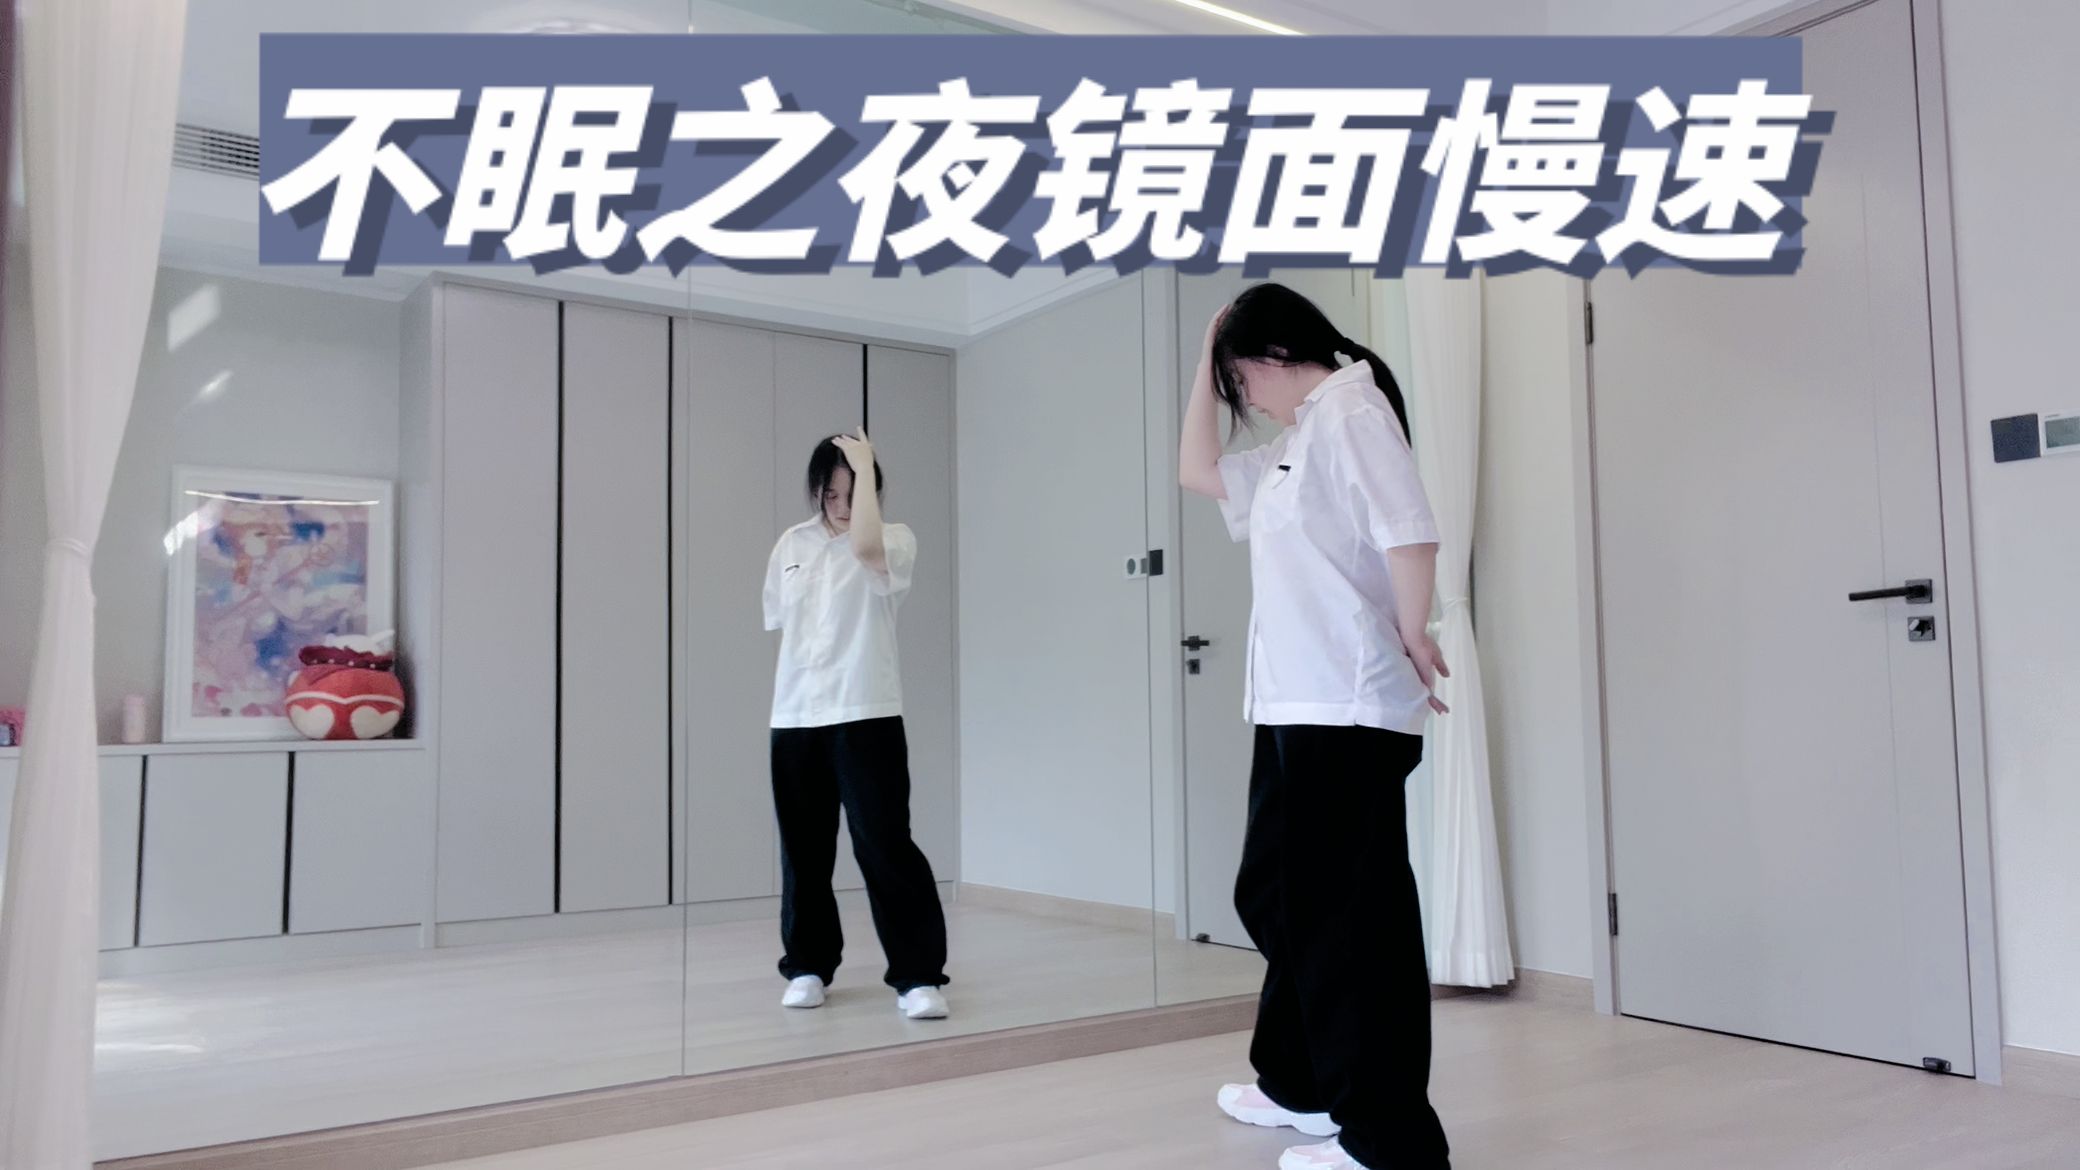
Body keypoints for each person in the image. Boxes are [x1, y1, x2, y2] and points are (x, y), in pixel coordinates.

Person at [1178, 284, 1451, 1170]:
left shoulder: (1352, 411)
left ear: (1278, 355)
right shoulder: (1299, 439)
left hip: (1346, 703)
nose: (1244, 401)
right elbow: (1198, 471)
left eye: (1242, 381)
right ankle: (1302, 1084)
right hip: (1295, 704)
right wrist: (1209, 355)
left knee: (1349, 925)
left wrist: (1414, 632)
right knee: (1275, 896)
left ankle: (1387, 1142)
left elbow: (1409, 532)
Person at [763, 430, 951, 1021]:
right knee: (804, 850)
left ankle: (918, 977)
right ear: (816, 492)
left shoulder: (893, 539)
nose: (842, 506)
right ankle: (808, 966)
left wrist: (864, 461)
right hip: (796, 714)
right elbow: (783, 621)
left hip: (866, 712)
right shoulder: (791, 544)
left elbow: (865, 548)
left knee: (885, 844)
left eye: (853, 492)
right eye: (831, 494)